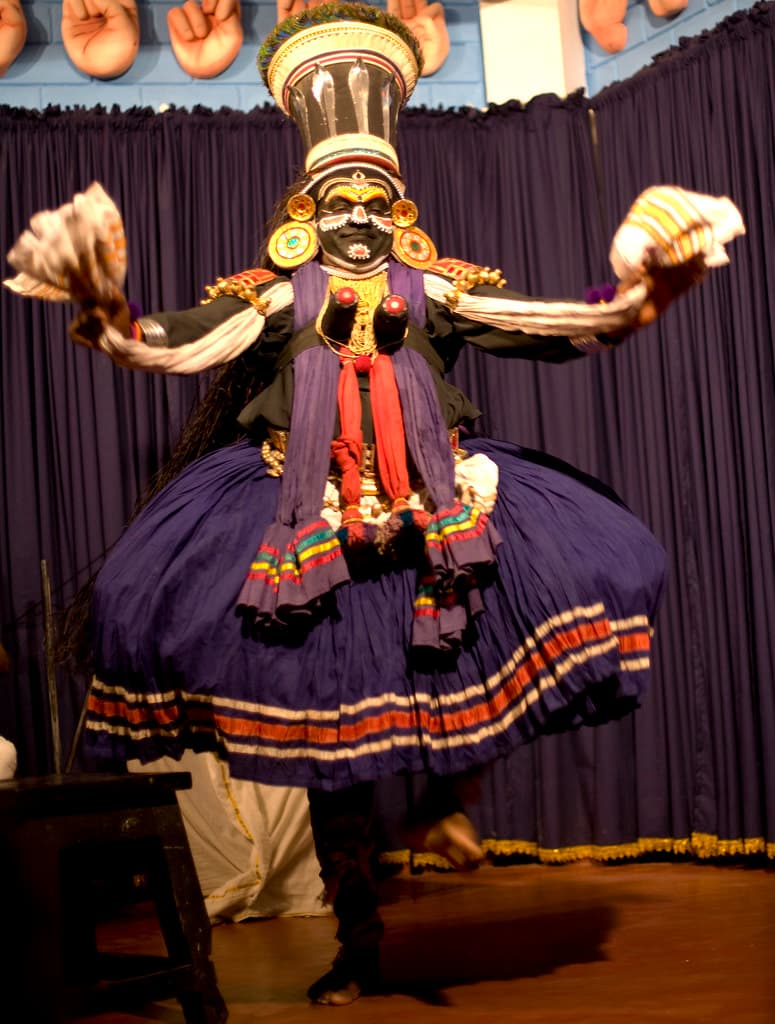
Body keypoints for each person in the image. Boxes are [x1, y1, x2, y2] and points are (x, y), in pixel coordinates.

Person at [5, 2, 739, 1005]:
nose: (355, 215)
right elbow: (173, 340)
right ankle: (359, 938)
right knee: (332, 751)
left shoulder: (435, 288)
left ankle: (445, 801)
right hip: (300, 516)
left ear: (398, 211)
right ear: (304, 211)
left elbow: (558, 322)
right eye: (337, 197)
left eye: (373, 199)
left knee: (497, 648)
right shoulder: (270, 294)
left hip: (439, 510)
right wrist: (102, 309)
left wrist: (647, 292)